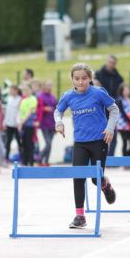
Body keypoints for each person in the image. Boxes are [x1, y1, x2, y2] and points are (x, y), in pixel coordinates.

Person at [54, 62, 119, 229]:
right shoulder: (68, 96)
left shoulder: (98, 93)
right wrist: (59, 123)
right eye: (77, 79)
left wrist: (110, 128)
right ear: (72, 79)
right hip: (80, 142)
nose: (81, 82)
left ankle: (106, 185)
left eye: (84, 78)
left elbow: (113, 109)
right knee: (78, 177)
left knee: (96, 179)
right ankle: (80, 215)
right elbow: (58, 111)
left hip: (100, 140)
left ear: (90, 79)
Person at [94, 55, 124, 156]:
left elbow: (120, 92)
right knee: (100, 134)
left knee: (113, 135)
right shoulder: (98, 75)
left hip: (112, 109)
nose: (111, 64)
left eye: (113, 63)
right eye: (110, 62)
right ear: (106, 62)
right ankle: (99, 156)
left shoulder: (118, 77)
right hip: (100, 109)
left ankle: (110, 158)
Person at [116, 82, 130, 163]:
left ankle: (128, 160)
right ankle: (125, 162)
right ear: (121, 91)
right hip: (123, 125)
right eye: (125, 90)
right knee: (125, 142)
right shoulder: (119, 100)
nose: (127, 91)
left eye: (128, 89)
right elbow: (122, 112)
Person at [38, 79, 58, 166]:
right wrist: (44, 109)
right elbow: (37, 109)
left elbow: (57, 111)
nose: (50, 87)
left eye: (51, 85)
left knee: (50, 144)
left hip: (52, 124)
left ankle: (46, 161)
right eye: (48, 85)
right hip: (44, 124)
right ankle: (40, 158)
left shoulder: (53, 97)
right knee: (48, 143)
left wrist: (57, 124)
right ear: (43, 86)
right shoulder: (40, 96)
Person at [17, 83, 38, 166]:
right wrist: (18, 122)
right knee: (23, 144)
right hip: (23, 125)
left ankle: (31, 162)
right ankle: (24, 162)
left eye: (27, 89)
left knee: (30, 144)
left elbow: (29, 113)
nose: (25, 91)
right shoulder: (23, 100)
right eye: (24, 90)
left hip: (29, 125)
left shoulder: (33, 99)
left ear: (31, 90)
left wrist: (22, 122)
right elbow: (20, 112)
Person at [3, 85, 21, 162]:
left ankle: (21, 156)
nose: (10, 92)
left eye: (12, 90)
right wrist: (5, 122)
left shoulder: (20, 99)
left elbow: (20, 111)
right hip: (9, 124)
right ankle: (6, 157)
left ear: (16, 91)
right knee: (8, 141)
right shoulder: (9, 99)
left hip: (16, 124)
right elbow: (7, 112)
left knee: (19, 141)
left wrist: (19, 122)